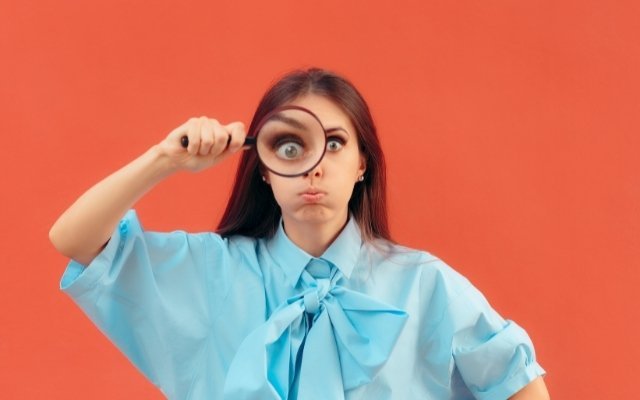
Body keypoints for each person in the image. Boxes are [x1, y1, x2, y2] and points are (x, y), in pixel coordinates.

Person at [49, 68, 550, 399]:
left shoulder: (424, 284)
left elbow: (520, 382)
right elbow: (73, 239)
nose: (314, 167)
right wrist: (165, 159)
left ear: (361, 165)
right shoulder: (213, 271)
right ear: (264, 168)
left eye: (334, 144)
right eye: (289, 146)